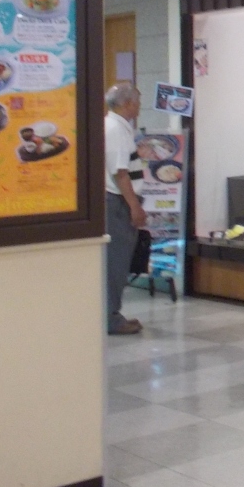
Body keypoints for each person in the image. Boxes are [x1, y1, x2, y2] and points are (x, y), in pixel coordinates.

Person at [104, 82, 146, 335]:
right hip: (117, 203)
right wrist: (135, 207)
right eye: (137, 101)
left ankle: (110, 314)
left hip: (117, 201)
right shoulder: (116, 129)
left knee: (115, 260)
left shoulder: (114, 126)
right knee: (116, 262)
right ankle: (111, 317)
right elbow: (120, 174)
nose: (139, 106)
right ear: (127, 103)